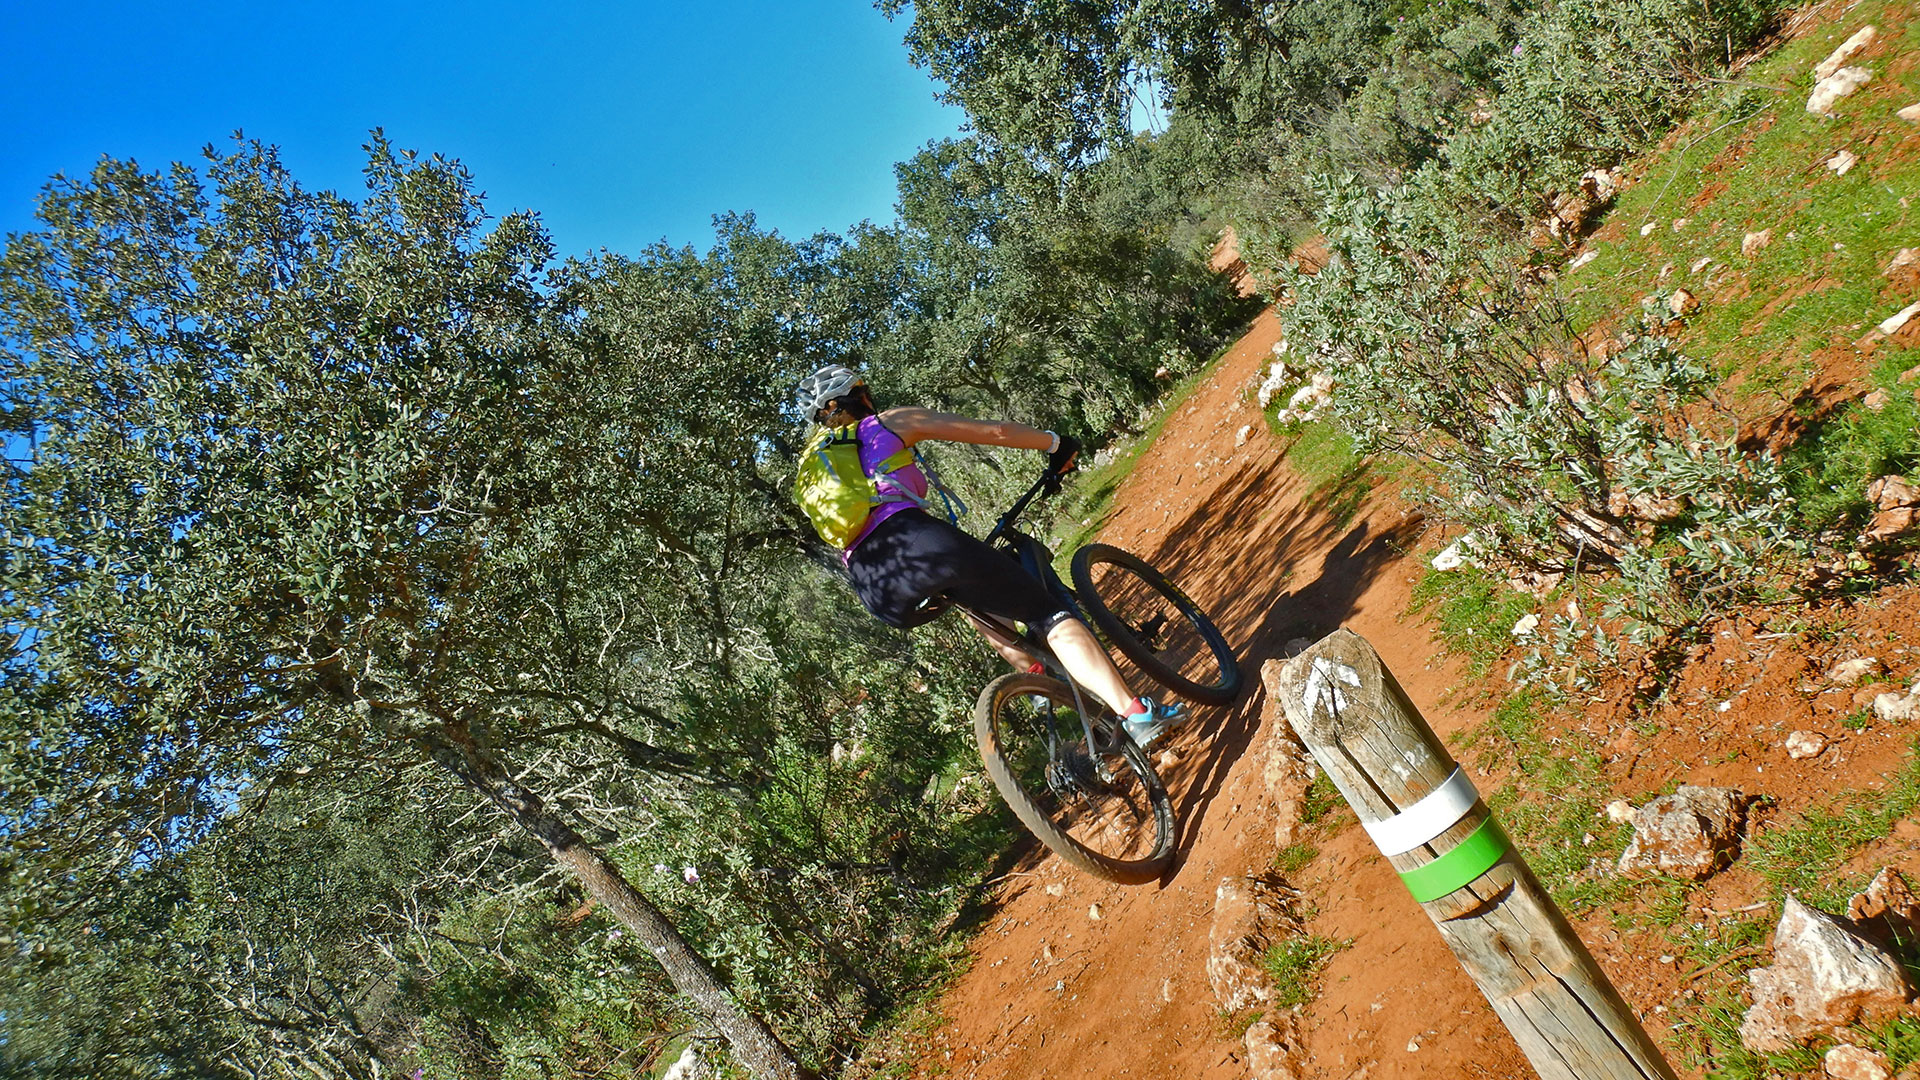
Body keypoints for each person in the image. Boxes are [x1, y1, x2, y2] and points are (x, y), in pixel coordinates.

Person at [795, 364, 1186, 747]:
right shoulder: (886, 423)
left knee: (972, 597)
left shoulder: (816, 466)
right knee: (1047, 615)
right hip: (915, 541)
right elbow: (991, 431)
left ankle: (1041, 682)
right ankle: (1136, 714)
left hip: (875, 587)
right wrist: (1055, 444)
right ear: (861, 397)